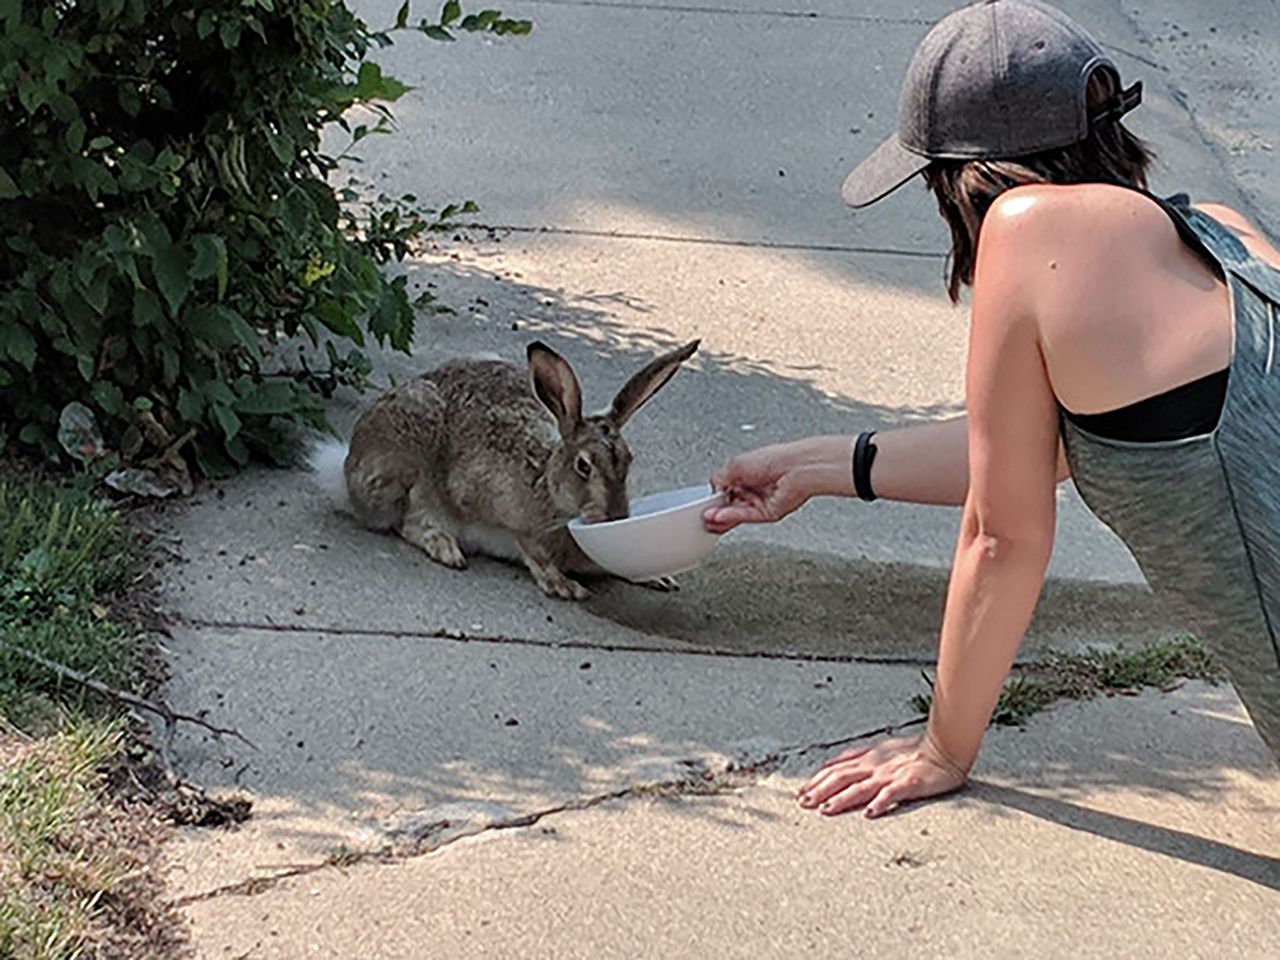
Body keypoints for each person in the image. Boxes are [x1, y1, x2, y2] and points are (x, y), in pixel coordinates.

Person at [704, 0, 1280, 819]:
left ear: (966, 182)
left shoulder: (1026, 223)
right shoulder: (1222, 240)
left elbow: (1003, 535)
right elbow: (1058, 449)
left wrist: (942, 748)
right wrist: (822, 466)